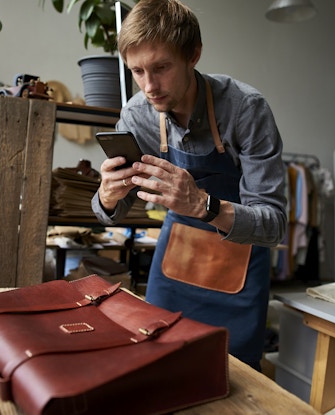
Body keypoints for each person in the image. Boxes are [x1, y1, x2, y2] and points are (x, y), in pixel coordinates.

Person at [91, 0, 288, 371]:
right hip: (174, 267)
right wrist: (107, 196)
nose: (150, 86)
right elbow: (106, 212)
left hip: (241, 270)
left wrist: (203, 205)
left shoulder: (246, 110)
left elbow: (274, 224)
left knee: (235, 378)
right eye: (137, 71)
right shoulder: (137, 115)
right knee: (157, 364)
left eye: (162, 68)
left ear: (193, 55)